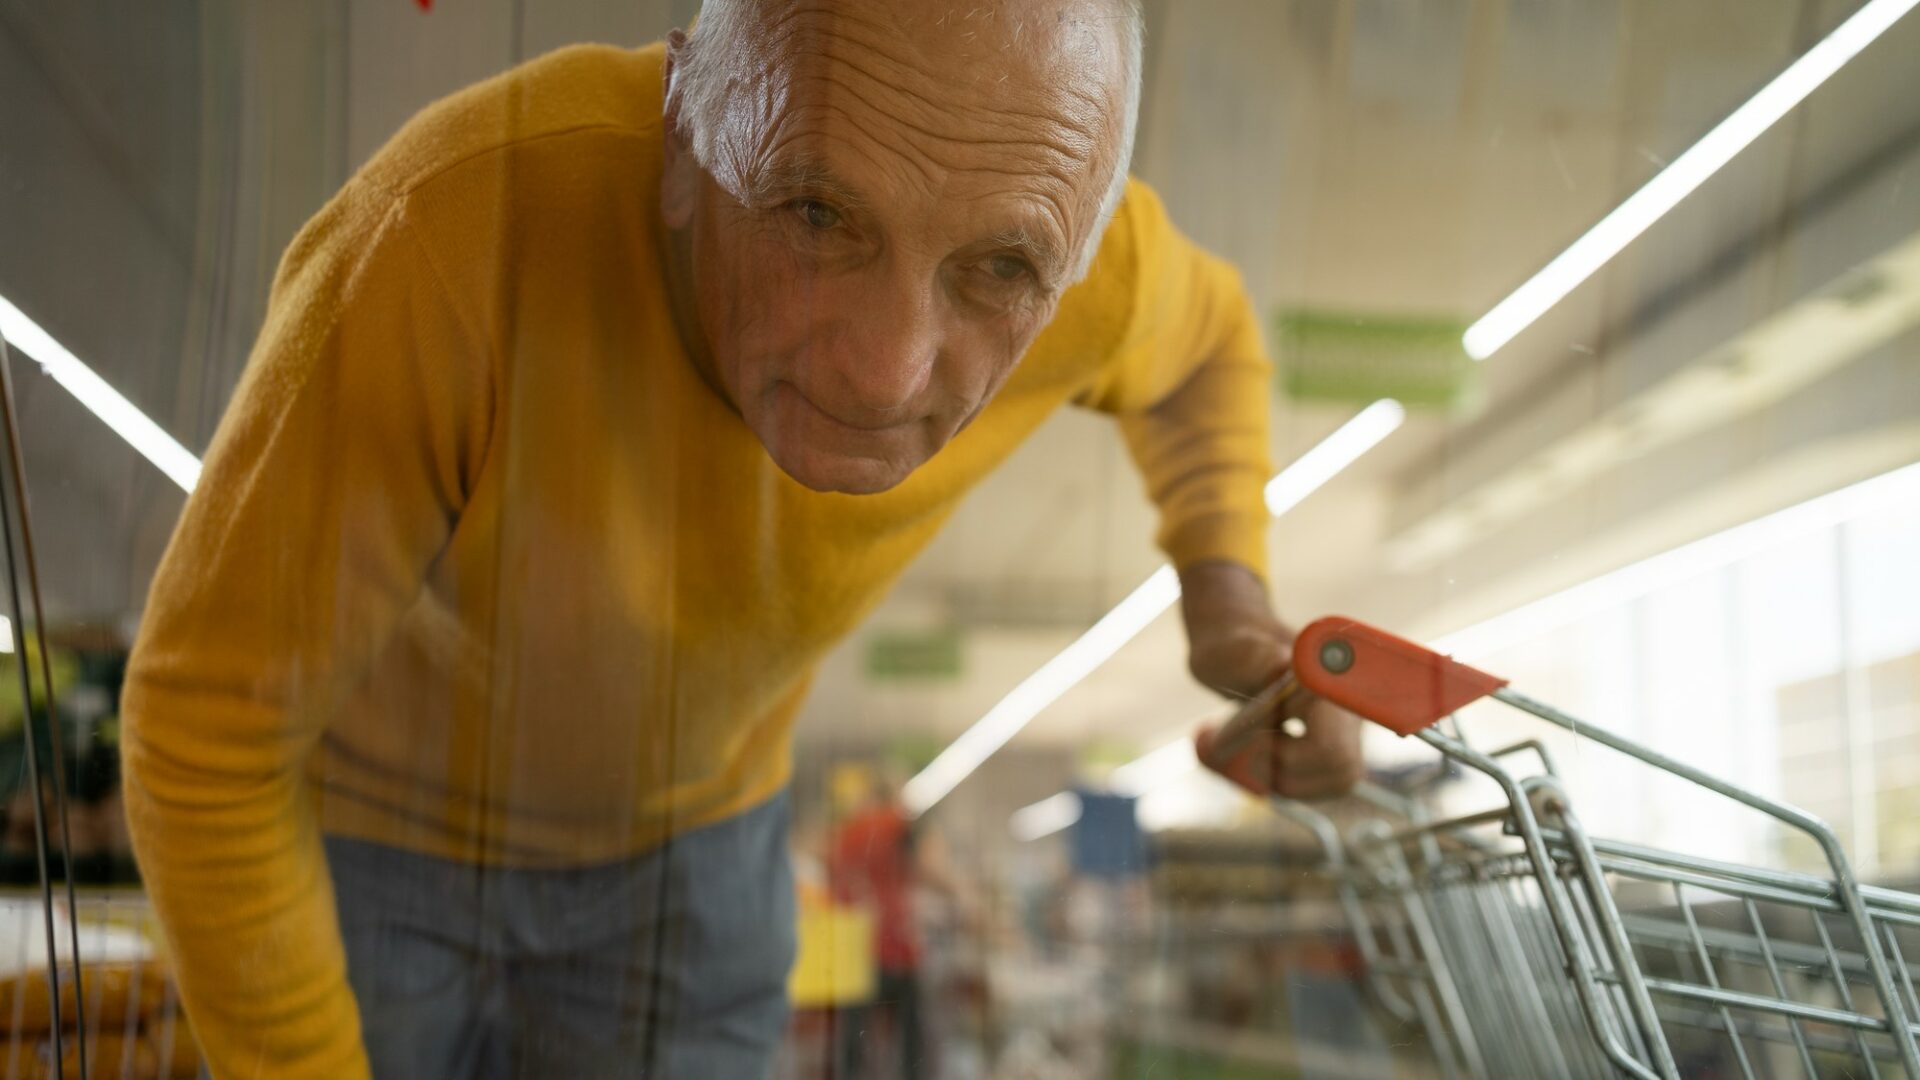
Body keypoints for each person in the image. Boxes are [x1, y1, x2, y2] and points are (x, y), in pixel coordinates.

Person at [120, 0, 1364, 1077]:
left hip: (701, 848)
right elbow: (208, 730)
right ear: (679, 145)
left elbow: (1205, 343)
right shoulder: (444, 236)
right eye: (817, 213)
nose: (885, 373)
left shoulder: (1076, 241)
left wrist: (1226, 594)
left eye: (998, 271)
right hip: (372, 840)